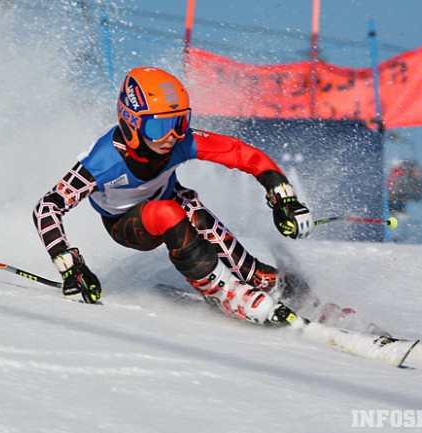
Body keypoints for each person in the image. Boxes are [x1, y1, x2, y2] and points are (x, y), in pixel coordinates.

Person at [33, 67, 313, 327]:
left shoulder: (181, 141)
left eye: (180, 122)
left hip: (169, 201)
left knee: (191, 208)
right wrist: (70, 267)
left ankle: (257, 276)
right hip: (126, 224)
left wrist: (283, 196)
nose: (171, 136)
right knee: (167, 211)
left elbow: (242, 154)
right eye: (158, 127)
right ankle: (223, 291)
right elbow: (47, 208)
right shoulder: (103, 161)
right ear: (131, 123)